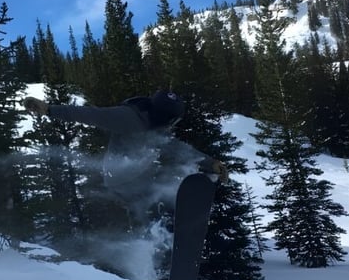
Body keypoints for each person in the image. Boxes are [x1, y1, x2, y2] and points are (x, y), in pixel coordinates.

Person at [22, 90, 228, 224]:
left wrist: (210, 163)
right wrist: (50, 109)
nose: (172, 126)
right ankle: (147, 243)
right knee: (150, 212)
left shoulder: (156, 127)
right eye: (173, 121)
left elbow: (175, 149)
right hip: (122, 180)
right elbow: (91, 115)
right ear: (166, 116)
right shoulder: (128, 118)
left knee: (163, 199)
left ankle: (157, 239)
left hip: (140, 177)